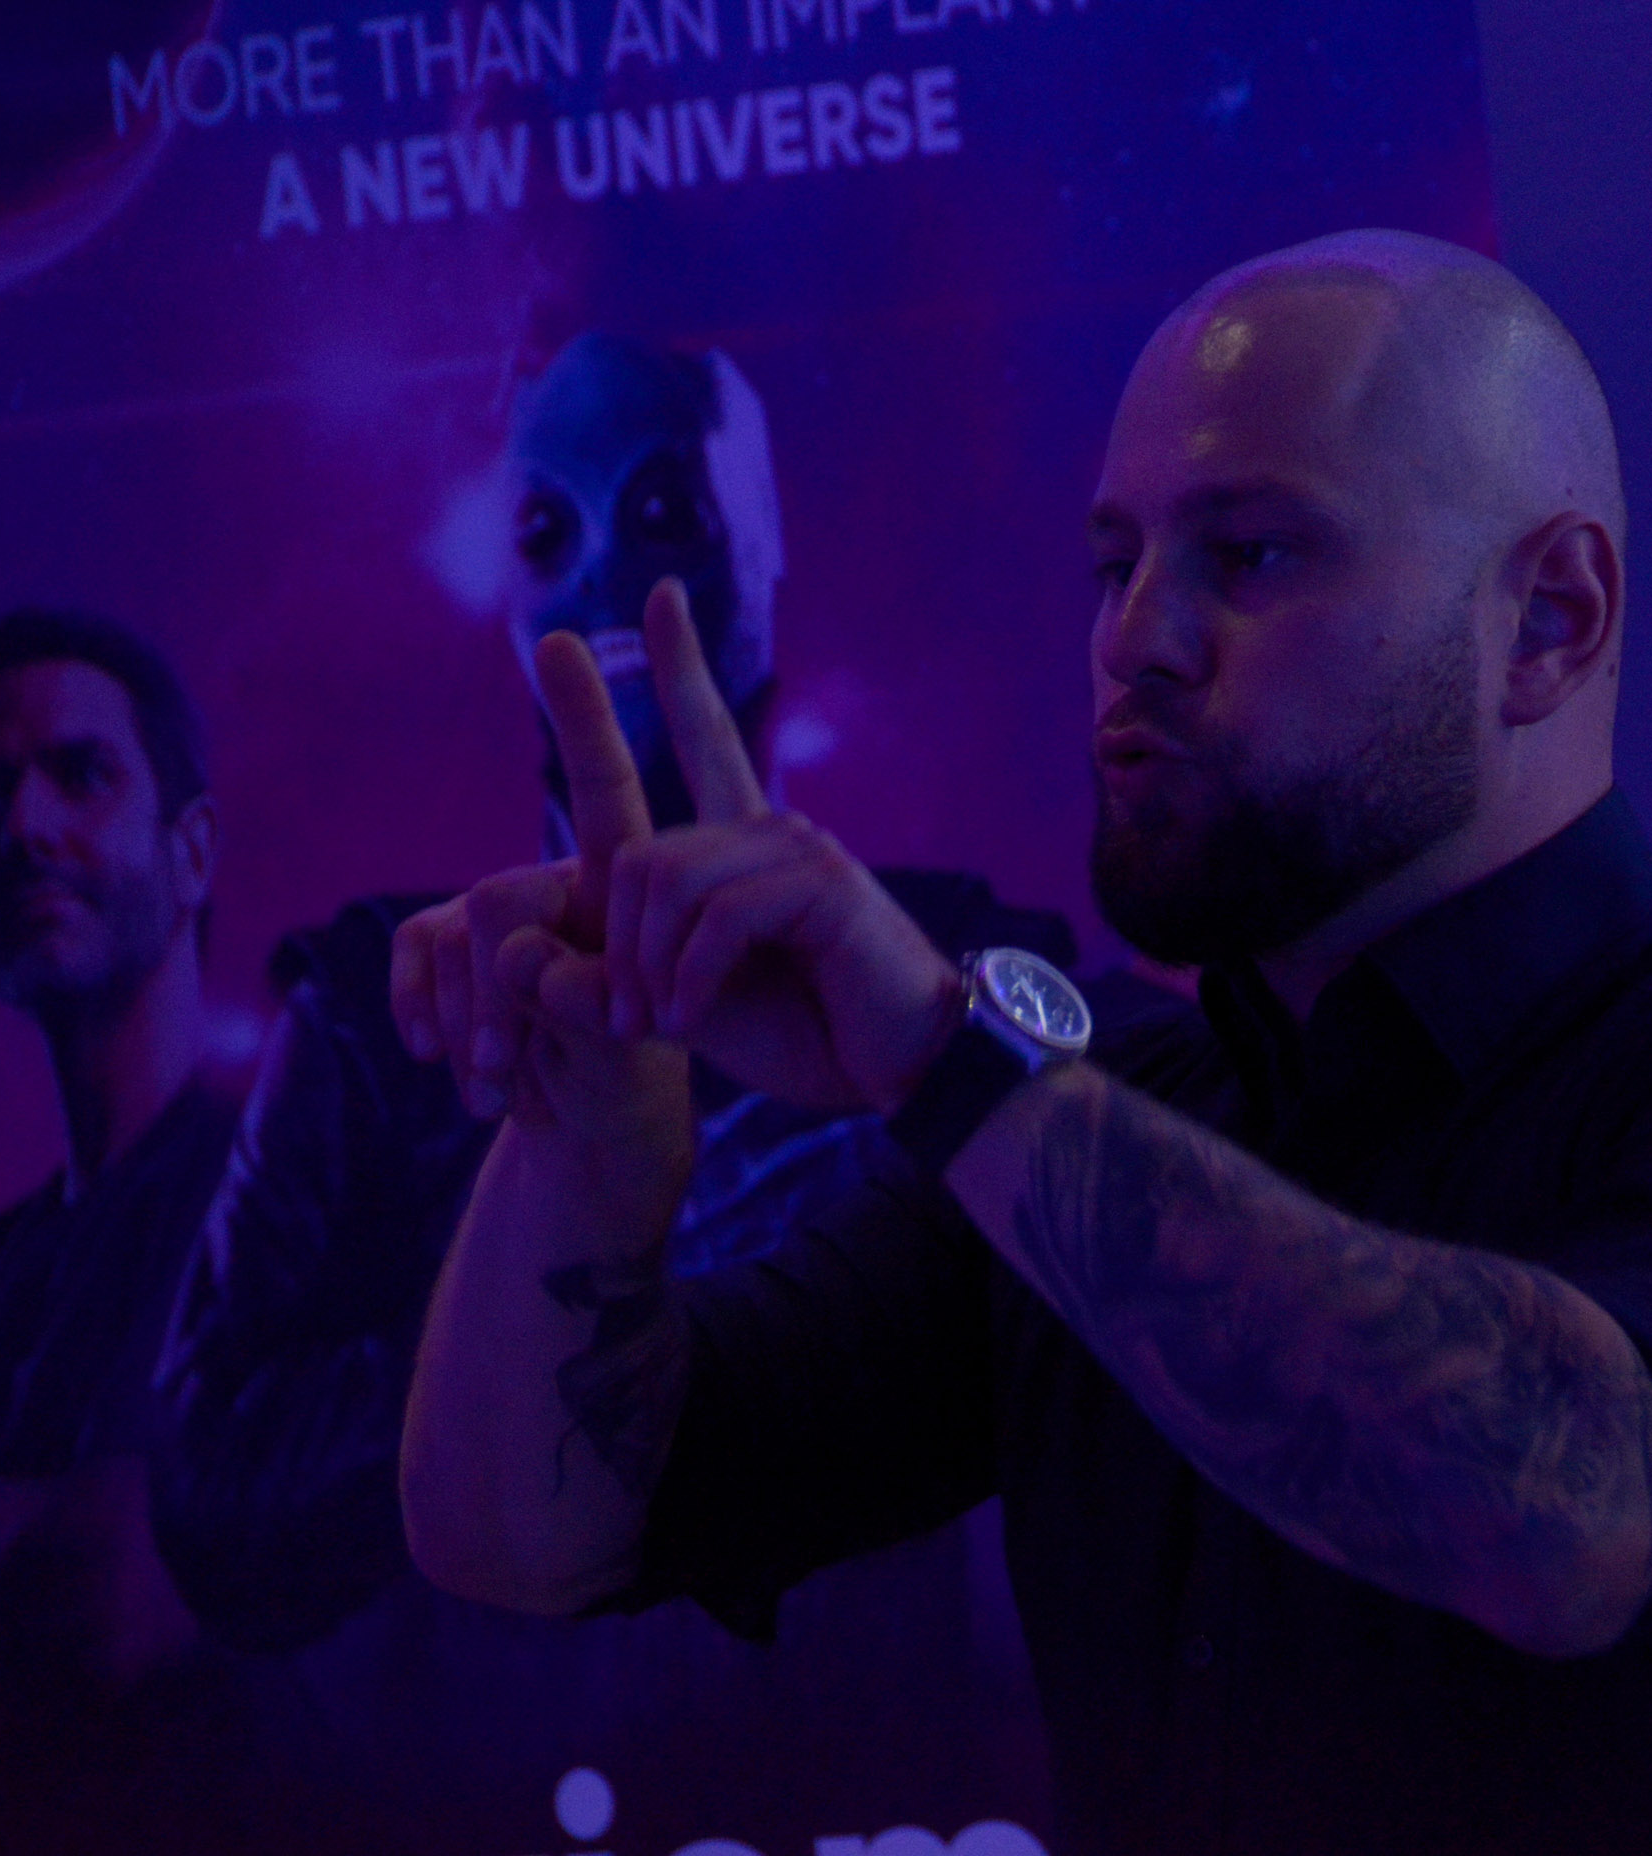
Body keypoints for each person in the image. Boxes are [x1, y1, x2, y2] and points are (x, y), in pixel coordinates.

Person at [396, 233, 1652, 1855]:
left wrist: (948, 1063)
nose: (1136, 638)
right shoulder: (1104, 1114)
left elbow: (1571, 1513)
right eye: (1114, 564)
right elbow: (528, 1537)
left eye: (1250, 556)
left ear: (1549, 618)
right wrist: (585, 1134)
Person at [150, 331, 1077, 1851]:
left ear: (765, 540)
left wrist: (939, 1069)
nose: (603, 573)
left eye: (663, 511)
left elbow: (1166, 1329)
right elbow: (214, 1502)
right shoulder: (390, 1009)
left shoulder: (958, 975)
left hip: (899, 1803)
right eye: (545, 529)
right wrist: (557, 1245)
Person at [0, 609, 308, 1856]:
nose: (23, 825)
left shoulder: (284, 1186)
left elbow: (137, 1583)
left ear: (193, 849)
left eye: (80, 773)